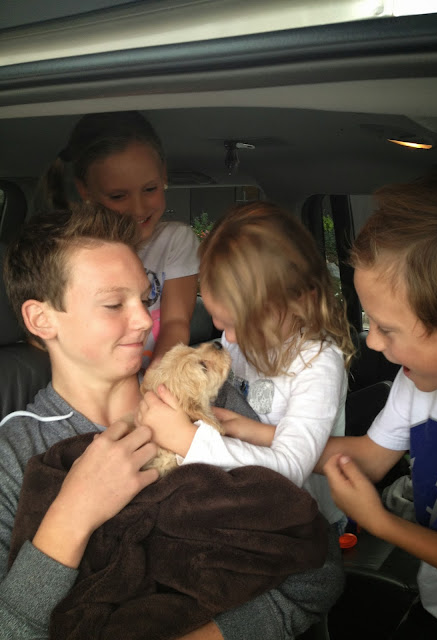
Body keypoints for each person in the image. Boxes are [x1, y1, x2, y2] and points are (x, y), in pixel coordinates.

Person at [0, 203, 344, 640]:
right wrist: (73, 514)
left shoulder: (206, 398)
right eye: (113, 304)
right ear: (41, 319)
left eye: (146, 298)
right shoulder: (16, 452)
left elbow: (317, 570)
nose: (145, 320)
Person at [317, 173, 437, 639]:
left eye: (387, 329)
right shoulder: (419, 381)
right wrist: (244, 436)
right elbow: (369, 458)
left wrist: (379, 522)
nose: (372, 342)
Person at [134, 201, 356, 533]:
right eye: (220, 322)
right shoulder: (236, 340)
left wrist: (188, 440)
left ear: (300, 300)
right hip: (240, 504)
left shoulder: (317, 364)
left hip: (303, 522)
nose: (229, 338)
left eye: (240, 324)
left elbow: (291, 469)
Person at [36, 110, 199, 370]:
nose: (138, 208)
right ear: (85, 190)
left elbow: (175, 323)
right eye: (118, 196)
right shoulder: (72, 250)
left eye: (150, 189)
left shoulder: (175, 240)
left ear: (164, 175)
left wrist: (156, 380)